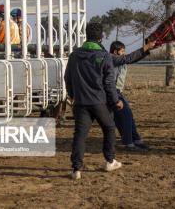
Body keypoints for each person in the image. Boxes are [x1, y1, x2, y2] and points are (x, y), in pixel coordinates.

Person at [64, 22, 123, 180]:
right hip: (98, 102)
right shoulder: (104, 56)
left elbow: (67, 78)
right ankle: (110, 161)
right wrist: (116, 100)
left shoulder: (74, 55)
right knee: (109, 128)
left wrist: (72, 95)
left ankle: (76, 169)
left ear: (86, 34)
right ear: (101, 36)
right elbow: (109, 83)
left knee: (80, 135)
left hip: (80, 102)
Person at [109, 40, 156, 149]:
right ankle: (129, 142)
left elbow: (131, 59)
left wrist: (146, 50)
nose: (124, 53)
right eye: (122, 51)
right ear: (115, 52)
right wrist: (146, 47)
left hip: (117, 92)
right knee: (126, 116)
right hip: (113, 92)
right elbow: (129, 58)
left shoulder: (119, 60)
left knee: (125, 117)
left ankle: (135, 140)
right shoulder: (112, 58)